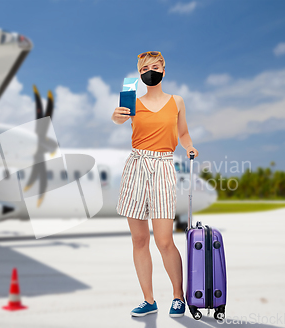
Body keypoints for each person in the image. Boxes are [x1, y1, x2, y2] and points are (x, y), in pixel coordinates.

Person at [111, 51, 199, 318]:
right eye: (145, 68)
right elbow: (119, 120)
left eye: (155, 66)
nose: (150, 70)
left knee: (163, 240)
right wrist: (117, 116)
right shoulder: (133, 103)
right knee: (139, 239)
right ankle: (148, 300)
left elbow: (182, 132)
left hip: (162, 166)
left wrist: (189, 146)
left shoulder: (177, 101)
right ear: (139, 74)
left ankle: (178, 296)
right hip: (137, 165)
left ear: (163, 70)